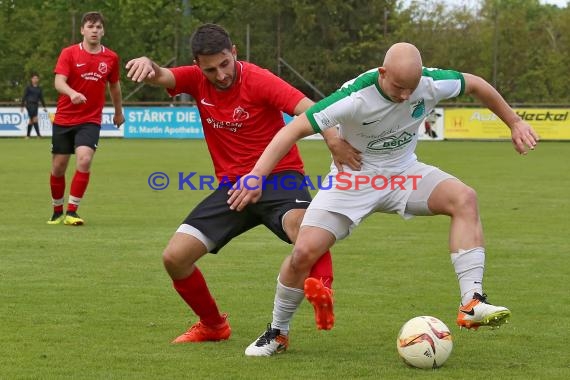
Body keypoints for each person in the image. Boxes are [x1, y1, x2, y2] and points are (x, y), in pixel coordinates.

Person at [228, 42, 539, 356]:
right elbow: (290, 130)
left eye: (411, 89)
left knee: (464, 198)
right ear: (382, 73)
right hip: (353, 178)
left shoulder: (430, 82)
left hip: (405, 173)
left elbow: (475, 83)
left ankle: (472, 302)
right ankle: (278, 333)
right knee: (303, 252)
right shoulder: (354, 97)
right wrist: (256, 176)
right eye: (398, 87)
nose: (405, 96)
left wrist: (514, 122)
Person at [125, 23, 359, 344]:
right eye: (210, 70)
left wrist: (332, 139)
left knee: (304, 228)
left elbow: (310, 109)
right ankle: (213, 325)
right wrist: (148, 65)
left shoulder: (258, 79)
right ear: (197, 66)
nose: (220, 75)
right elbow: (161, 75)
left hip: (280, 178)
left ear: (234, 52)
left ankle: (321, 289)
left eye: (225, 64)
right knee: (175, 258)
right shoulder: (195, 80)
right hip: (233, 190)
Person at [47, 11, 124, 226]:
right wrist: (72, 93)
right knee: (58, 167)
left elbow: (115, 86)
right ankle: (57, 210)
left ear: (103, 31)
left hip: (90, 120)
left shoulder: (111, 57)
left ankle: (72, 211)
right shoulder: (69, 53)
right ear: (82, 30)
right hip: (64, 118)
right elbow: (58, 82)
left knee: (85, 159)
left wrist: (118, 112)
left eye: (98, 27)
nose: (95, 31)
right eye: (90, 27)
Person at [21, 73, 48, 138]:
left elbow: (41, 98)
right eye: (34, 78)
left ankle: (28, 136)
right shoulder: (28, 87)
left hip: (36, 105)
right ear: (31, 79)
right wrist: (22, 106)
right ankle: (38, 135)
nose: (35, 79)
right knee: (35, 119)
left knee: (31, 120)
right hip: (29, 105)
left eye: (36, 78)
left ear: (38, 79)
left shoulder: (39, 88)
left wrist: (44, 106)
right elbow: (24, 96)